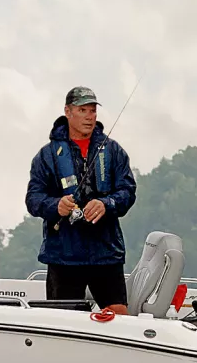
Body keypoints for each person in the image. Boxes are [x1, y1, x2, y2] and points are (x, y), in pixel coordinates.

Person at [25, 86, 137, 311]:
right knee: (63, 324)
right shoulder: (46, 155)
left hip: (106, 254)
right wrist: (56, 205)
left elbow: (127, 191)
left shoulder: (114, 151)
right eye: (83, 110)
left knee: (120, 316)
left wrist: (107, 204)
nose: (89, 116)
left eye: (93, 110)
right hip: (63, 256)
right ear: (68, 111)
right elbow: (33, 199)